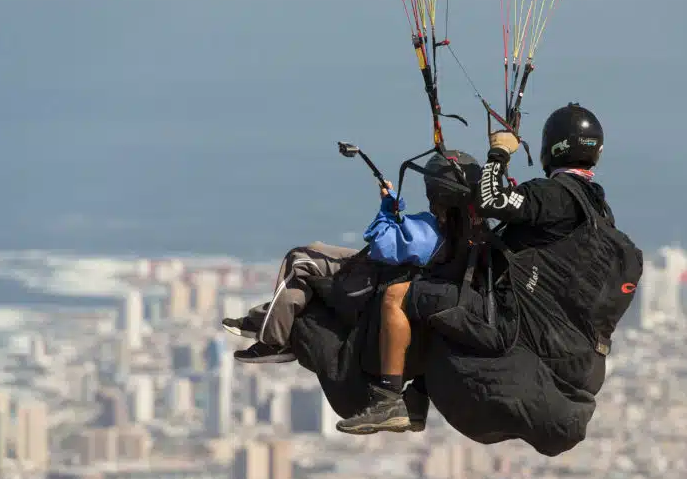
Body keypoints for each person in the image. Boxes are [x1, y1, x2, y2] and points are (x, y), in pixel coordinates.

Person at [336, 102, 631, 436]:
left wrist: (499, 153)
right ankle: (417, 399)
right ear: (598, 153)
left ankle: (389, 399)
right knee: (439, 299)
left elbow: (491, 200)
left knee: (399, 296)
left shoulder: (554, 195)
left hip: (510, 321)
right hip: (556, 334)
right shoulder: (598, 210)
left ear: (551, 148)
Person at [222, 151, 477, 364]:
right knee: (315, 249)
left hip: (370, 276)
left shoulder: (430, 235)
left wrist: (385, 211)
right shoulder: (455, 232)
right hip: (381, 270)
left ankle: (276, 341)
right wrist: (392, 207)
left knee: (300, 259)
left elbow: (381, 245)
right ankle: (265, 320)